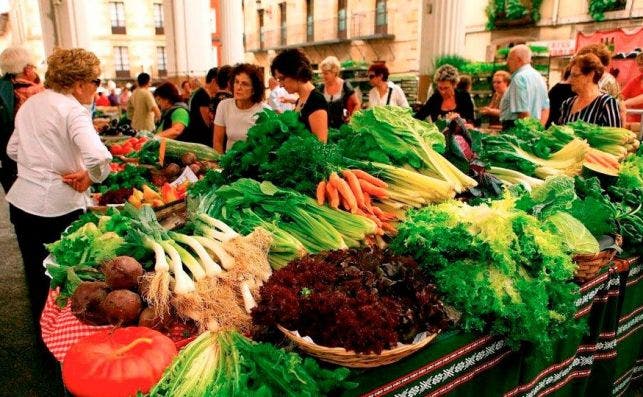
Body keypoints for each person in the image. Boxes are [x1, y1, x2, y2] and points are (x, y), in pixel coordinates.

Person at [5, 48, 112, 341]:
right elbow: (99, 158)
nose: (96, 88)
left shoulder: (30, 104)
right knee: (68, 275)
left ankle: (43, 334)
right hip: (59, 206)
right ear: (78, 84)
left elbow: (12, 150)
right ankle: (66, 338)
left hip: (23, 202)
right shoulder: (72, 110)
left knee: (36, 275)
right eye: (96, 81)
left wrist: (37, 164)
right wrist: (91, 176)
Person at [0, 46, 44, 193]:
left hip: (8, 159)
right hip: (35, 159)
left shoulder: (3, 90)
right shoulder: (36, 92)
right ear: (27, 70)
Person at [271, 49, 328, 142]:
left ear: (296, 73)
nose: (280, 85)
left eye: (282, 79)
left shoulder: (316, 101)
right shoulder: (301, 100)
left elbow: (321, 147)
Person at [214, 63, 268, 153]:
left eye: (245, 84)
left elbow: (267, 147)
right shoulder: (224, 106)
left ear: (254, 90)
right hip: (229, 162)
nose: (238, 87)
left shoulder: (264, 111)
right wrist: (220, 164)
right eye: (236, 82)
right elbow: (217, 142)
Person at [558, 54, 621, 127]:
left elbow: (614, 136)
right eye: (570, 75)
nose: (570, 80)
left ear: (590, 75)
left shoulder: (606, 103)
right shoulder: (567, 104)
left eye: (575, 75)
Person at [499, 44, 550, 129]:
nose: (507, 62)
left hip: (517, 128)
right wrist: (539, 131)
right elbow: (545, 109)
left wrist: (526, 133)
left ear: (519, 60)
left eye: (509, 58)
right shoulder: (539, 77)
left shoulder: (518, 78)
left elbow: (522, 112)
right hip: (534, 126)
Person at [318, 56, 360, 128]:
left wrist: (352, 119)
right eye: (322, 73)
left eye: (326, 73)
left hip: (342, 128)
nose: (323, 76)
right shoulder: (321, 88)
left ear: (334, 72)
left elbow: (357, 104)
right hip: (325, 128)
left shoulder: (345, 85)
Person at [185, 67, 218, 146]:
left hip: (198, 137)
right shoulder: (203, 95)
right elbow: (207, 122)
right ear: (213, 81)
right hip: (199, 139)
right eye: (219, 85)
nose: (218, 89)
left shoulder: (200, 92)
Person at [622, 52, 643, 128]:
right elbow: (621, 95)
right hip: (635, 122)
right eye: (639, 64)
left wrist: (624, 103)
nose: (641, 67)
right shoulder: (635, 81)